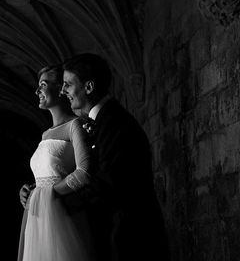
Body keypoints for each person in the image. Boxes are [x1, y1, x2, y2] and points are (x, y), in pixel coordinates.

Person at [59, 52, 169, 261]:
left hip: (131, 240)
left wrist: (58, 203)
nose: (63, 91)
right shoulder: (104, 121)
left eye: (68, 84)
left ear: (89, 87)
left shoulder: (115, 123)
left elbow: (108, 183)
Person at [16, 64, 96, 261]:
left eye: (43, 84)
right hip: (38, 220)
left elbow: (84, 172)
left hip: (63, 218)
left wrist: (45, 194)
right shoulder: (45, 135)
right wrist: (30, 190)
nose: (37, 91)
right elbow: (49, 172)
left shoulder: (74, 125)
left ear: (61, 88)